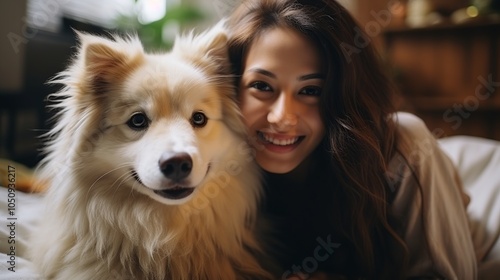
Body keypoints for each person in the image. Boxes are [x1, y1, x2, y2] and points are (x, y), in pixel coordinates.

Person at [226, 0, 478, 279]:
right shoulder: (216, 165)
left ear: (343, 97)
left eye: (311, 90)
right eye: (262, 86)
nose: (282, 117)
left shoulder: (404, 146)